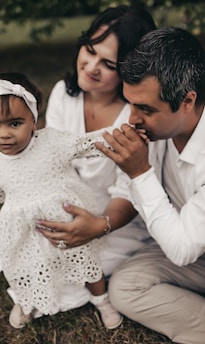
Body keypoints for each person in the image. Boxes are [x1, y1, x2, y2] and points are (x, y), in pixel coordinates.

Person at [0, 4, 157, 312]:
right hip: (60, 204)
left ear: (130, 69)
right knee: (26, 257)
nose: (91, 67)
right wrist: (24, 210)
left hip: (112, 218)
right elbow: (44, 160)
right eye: (89, 50)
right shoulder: (65, 92)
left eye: (109, 64)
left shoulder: (133, 118)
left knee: (72, 285)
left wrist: (96, 226)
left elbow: (129, 190)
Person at [0, 72, 123, 330]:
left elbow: (83, 143)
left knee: (84, 260)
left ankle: (102, 300)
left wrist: (115, 137)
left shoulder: (51, 142)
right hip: (24, 231)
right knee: (24, 266)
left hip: (64, 221)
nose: (4, 134)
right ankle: (26, 299)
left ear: (33, 120)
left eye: (15, 123)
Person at [95, 27, 205, 344]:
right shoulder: (157, 132)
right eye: (129, 104)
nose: (131, 119)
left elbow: (182, 250)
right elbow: (126, 192)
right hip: (195, 254)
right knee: (125, 287)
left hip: (188, 251)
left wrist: (140, 173)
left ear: (187, 100)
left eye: (145, 109)